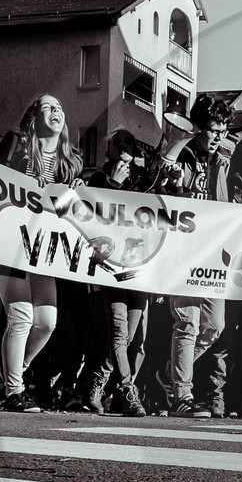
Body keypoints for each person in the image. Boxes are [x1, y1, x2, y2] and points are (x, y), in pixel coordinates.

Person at [0, 94, 83, 413]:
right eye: (48, 107)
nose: (56, 111)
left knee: (46, 322)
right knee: (22, 318)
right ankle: (13, 390)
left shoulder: (69, 166)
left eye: (59, 107)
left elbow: (70, 214)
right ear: (34, 116)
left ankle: (14, 370)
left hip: (44, 253)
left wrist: (76, 196)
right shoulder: (16, 144)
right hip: (9, 245)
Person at [152, 100, 234, 418]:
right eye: (214, 131)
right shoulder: (181, 155)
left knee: (214, 325)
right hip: (182, 249)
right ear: (199, 128)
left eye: (223, 131)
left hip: (212, 254)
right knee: (187, 322)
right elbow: (158, 189)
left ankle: (169, 374)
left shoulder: (223, 162)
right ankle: (181, 394)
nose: (218, 137)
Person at [73, 130, 149, 417]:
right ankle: (128, 391)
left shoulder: (145, 179)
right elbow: (96, 217)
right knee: (119, 331)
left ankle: (94, 384)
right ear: (108, 152)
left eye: (128, 141)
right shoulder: (96, 180)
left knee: (130, 338)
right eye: (117, 143)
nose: (123, 147)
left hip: (140, 269)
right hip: (110, 269)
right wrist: (113, 184)